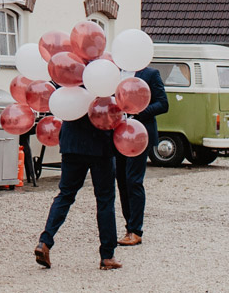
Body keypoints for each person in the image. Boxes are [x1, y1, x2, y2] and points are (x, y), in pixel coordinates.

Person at [35, 101, 121, 270]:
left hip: (72, 142)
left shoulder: (67, 76)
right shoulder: (104, 75)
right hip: (100, 144)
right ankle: (107, 255)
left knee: (65, 195)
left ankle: (45, 242)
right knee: (105, 199)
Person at [115, 64, 169, 246]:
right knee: (121, 180)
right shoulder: (113, 72)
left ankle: (136, 230)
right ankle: (128, 226)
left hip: (140, 134)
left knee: (133, 180)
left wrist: (138, 112)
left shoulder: (150, 74)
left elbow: (163, 104)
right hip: (118, 133)